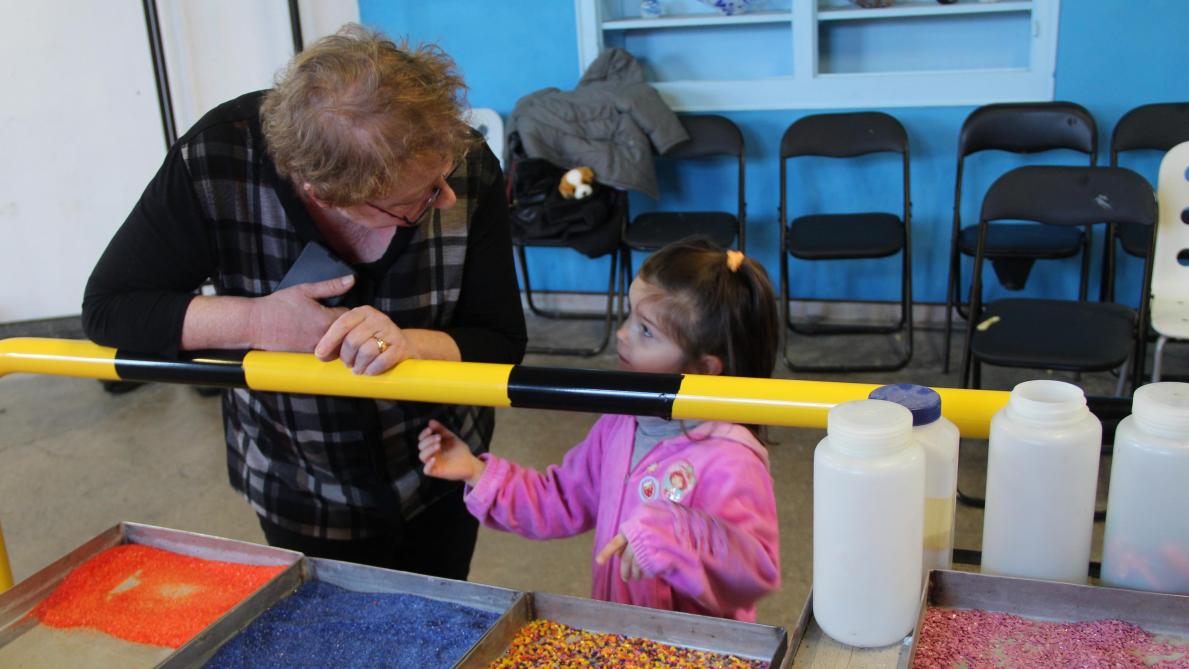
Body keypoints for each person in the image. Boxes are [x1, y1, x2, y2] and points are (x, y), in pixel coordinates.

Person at [81, 25, 527, 580]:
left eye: (442, 177)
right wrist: (260, 320)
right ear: (325, 195)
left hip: (440, 465)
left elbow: (502, 341)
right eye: (418, 201)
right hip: (298, 482)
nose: (448, 197)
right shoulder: (216, 158)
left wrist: (410, 344)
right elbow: (110, 309)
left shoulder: (462, 160)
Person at [418, 238, 781, 621]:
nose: (622, 334)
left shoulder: (731, 458)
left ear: (704, 368)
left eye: (646, 331)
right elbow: (561, 498)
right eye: (628, 316)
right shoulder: (621, 423)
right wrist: (478, 472)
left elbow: (754, 573)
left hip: (695, 651)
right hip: (620, 636)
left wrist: (672, 530)